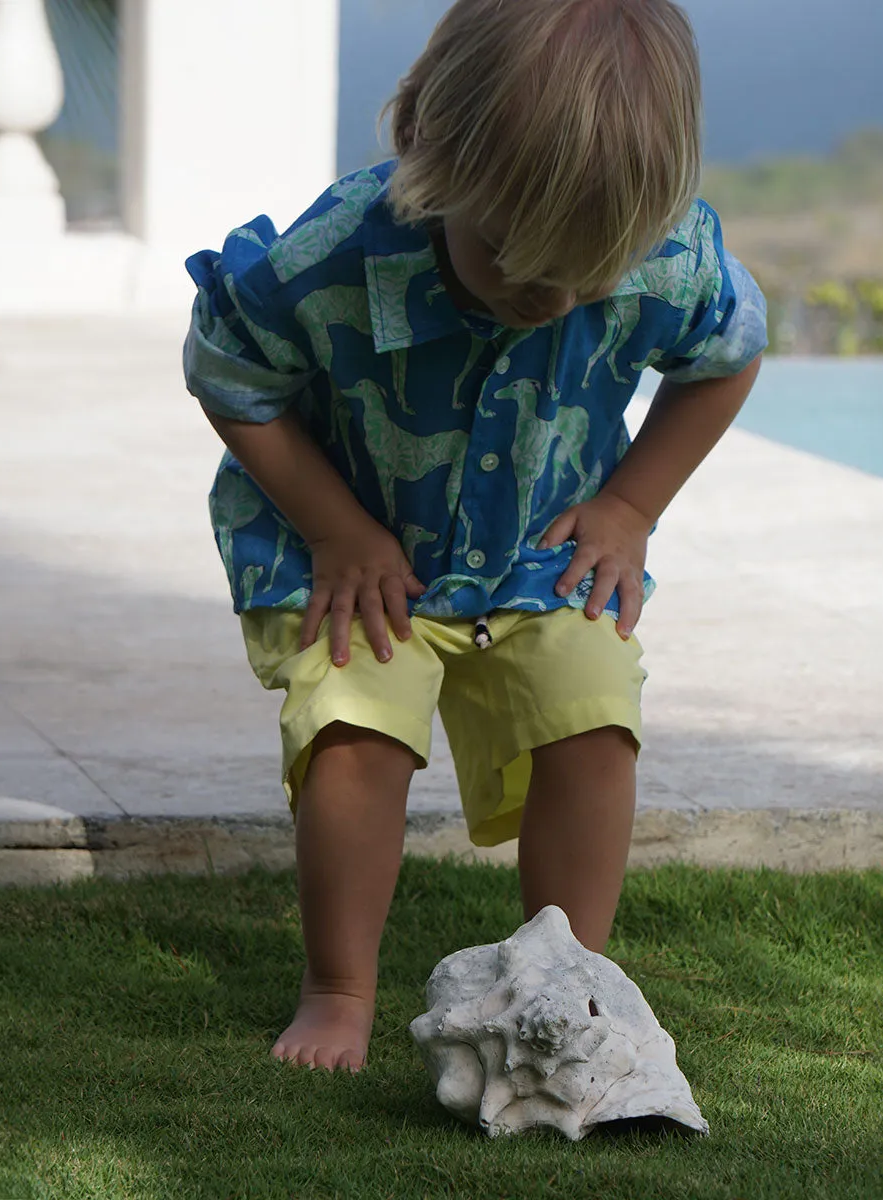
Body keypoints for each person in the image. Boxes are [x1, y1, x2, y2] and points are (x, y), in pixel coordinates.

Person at [183, 0, 767, 1073]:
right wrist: (336, 529)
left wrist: (632, 505)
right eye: (513, 260)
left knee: (592, 716)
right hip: (366, 554)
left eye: (586, 277)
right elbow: (229, 371)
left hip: (536, 549)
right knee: (359, 725)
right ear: (424, 143)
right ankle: (339, 990)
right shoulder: (335, 255)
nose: (550, 300)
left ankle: (569, 983)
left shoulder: (662, 248)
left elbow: (727, 355)